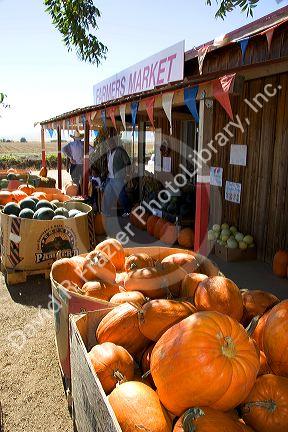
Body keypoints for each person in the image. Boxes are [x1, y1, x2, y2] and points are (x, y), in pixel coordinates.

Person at [103, 136, 131, 217]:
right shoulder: (109, 152)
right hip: (110, 177)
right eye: (108, 144)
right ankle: (107, 212)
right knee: (108, 194)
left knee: (121, 195)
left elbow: (128, 163)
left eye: (111, 143)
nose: (109, 145)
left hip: (118, 177)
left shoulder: (120, 151)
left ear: (114, 143)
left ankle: (128, 211)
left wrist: (127, 174)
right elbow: (109, 163)